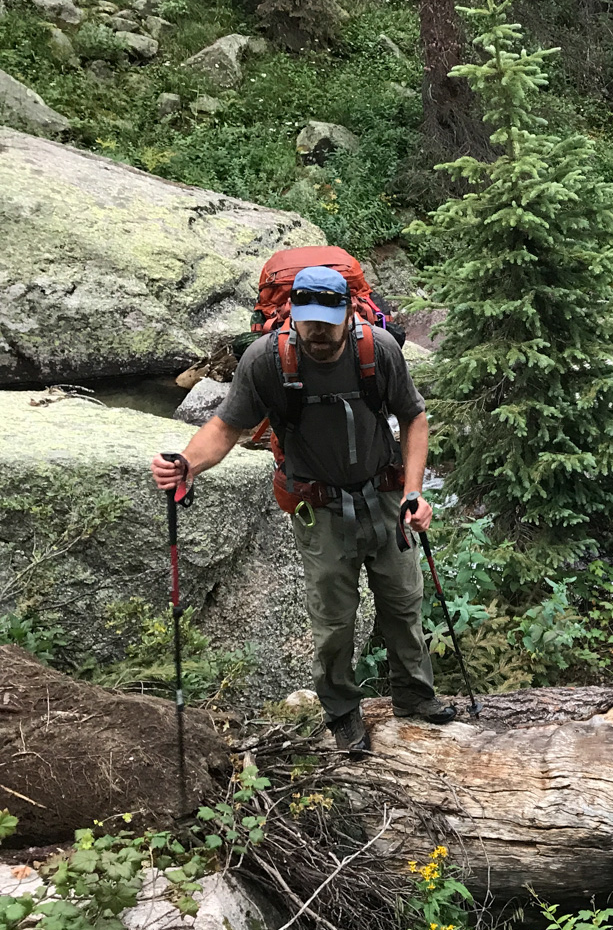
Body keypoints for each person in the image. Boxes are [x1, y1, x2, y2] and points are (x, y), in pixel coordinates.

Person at [150, 266, 454, 755]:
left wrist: (415, 492)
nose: (316, 334)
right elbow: (225, 428)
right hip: (320, 508)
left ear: (348, 314)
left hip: (385, 496)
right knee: (334, 622)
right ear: (292, 314)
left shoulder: (378, 349)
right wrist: (188, 463)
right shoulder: (266, 361)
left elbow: (413, 417)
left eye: (326, 324)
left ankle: (415, 697)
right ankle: (342, 715)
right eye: (306, 322)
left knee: (403, 603)